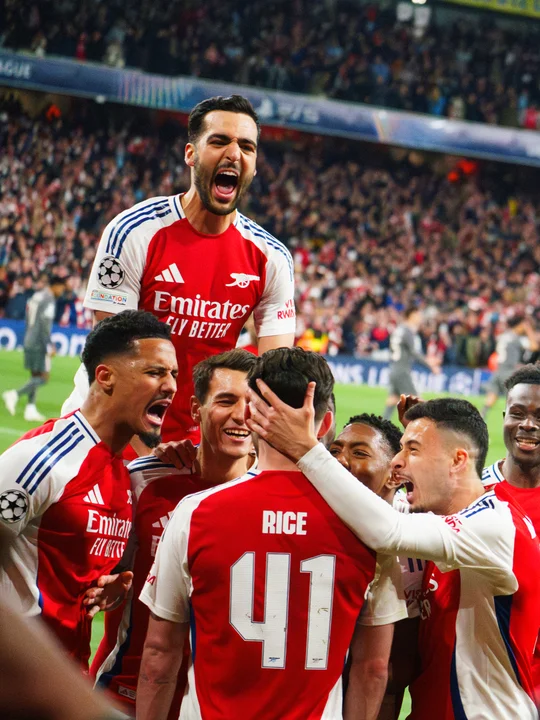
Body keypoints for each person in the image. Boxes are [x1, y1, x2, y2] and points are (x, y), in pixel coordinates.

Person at [137, 348, 406, 720]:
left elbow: (159, 654)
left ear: (250, 415)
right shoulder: (368, 526)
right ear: (326, 424)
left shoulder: (195, 513)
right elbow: (373, 668)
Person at [247, 390, 540, 719]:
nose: (396, 462)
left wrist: (307, 449)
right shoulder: (450, 517)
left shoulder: (493, 526)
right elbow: (387, 510)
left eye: (411, 450)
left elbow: (387, 531)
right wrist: (424, 440)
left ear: (458, 461)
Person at [62, 95, 296, 442]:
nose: (234, 154)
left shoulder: (272, 257)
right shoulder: (134, 232)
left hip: (193, 442)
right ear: (191, 154)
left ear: (255, 164)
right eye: (219, 141)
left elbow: (274, 376)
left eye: (247, 147)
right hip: (109, 430)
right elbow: (111, 356)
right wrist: (146, 453)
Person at [0, 310, 177, 670]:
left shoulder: (120, 473)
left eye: (173, 374)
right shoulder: (43, 460)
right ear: (105, 376)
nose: (171, 385)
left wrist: (111, 587)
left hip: (63, 676)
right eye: (155, 372)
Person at [87, 349, 257, 719]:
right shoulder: (143, 480)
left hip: (218, 706)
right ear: (196, 409)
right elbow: (100, 571)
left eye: (251, 403)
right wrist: (109, 585)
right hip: (126, 692)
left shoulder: (275, 497)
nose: (241, 414)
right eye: (226, 400)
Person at [482, 363, 540, 696]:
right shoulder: (474, 496)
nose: (528, 425)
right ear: (504, 417)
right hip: (477, 689)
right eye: (517, 414)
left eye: (539, 417)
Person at [3, 273, 65, 422]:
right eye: (61, 288)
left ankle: (30, 408)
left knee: (35, 375)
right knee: (44, 377)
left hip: (29, 338)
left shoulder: (36, 296)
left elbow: (28, 318)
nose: (61, 291)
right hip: (39, 342)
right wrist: (49, 344)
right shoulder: (49, 299)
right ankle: (14, 394)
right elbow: (44, 324)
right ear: (56, 286)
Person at [383, 307, 440, 421]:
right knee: (417, 402)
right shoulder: (407, 331)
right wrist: (430, 365)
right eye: (418, 315)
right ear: (412, 315)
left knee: (393, 399)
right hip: (402, 371)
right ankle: (418, 430)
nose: (420, 317)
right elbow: (414, 352)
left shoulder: (399, 330)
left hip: (394, 369)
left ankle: (381, 426)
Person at [481, 316, 538, 418]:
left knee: (493, 393)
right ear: (520, 325)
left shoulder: (504, 335)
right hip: (509, 371)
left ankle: (483, 413)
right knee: (515, 398)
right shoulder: (516, 339)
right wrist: (529, 330)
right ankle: (513, 419)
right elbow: (534, 346)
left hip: (499, 370)